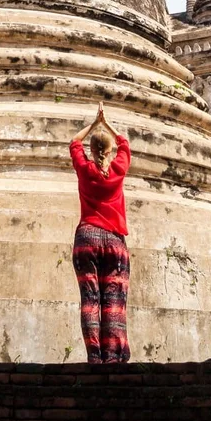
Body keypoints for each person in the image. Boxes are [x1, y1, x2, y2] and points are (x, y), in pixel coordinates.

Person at [69, 105, 131, 363]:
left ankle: (94, 355)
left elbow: (74, 142)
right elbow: (125, 143)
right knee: (113, 301)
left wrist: (94, 124)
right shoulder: (118, 169)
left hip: (87, 238)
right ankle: (113, 355)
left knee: (90, 299)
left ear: (91, 150)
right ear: (109, 151)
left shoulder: (85, 169)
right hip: (114, 241)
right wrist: (107, 125)